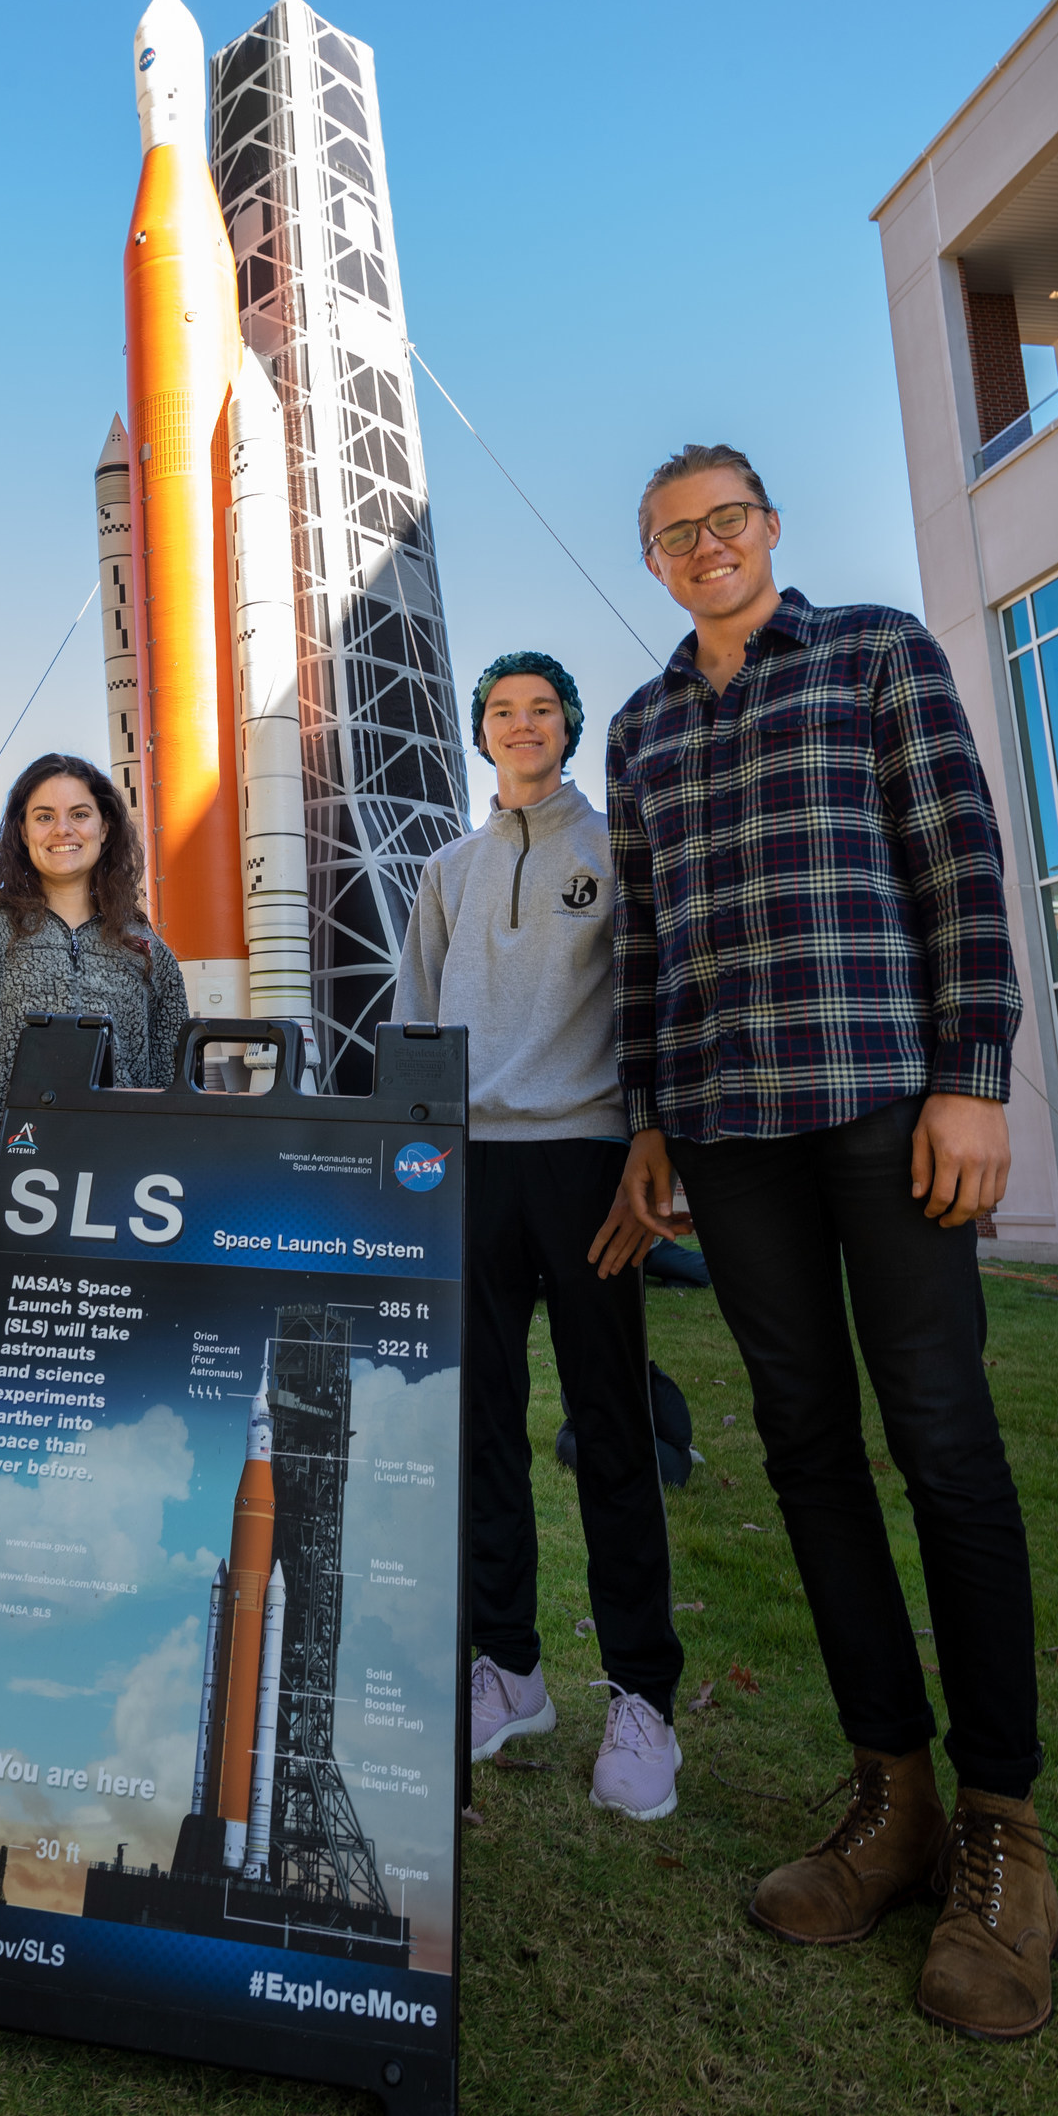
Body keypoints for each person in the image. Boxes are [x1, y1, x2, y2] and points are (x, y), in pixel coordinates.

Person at [605, 440, 1055, 2040]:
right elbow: (648, 944)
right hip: (731, 1132)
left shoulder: (873, 650)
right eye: (676, 535)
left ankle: (1004, 1829)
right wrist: (653, 1120)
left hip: (884, 1101)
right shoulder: (643, 725)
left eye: (727, 521)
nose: (706, 548)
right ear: (655, 562)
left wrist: (971, 1080)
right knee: (804, 1444)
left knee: (942, 1438)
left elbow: (960, 865)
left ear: (770, 530)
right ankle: (893, 1791)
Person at [397, 654, 685, 1822]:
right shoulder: (446, 868)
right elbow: (415, 1017)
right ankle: (507, 1669)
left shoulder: (617, 851)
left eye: (542, 708)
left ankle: (642, 1697)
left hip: (585, 1161)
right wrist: (415, 1159)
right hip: (470, 1167)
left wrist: (649, 1142)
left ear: (567, 726)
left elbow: (656, 1004)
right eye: (502, 711)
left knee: (610, 1424)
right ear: (479, 734)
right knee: (479, 1427)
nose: (523, 725)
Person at [0, 753, 188, 1293]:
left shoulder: (149, 953)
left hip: (124, 1204)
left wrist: (175, 1220)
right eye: (43, 815)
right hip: (11, 1202)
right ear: (21, 830)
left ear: (106, 826)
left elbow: (173, 1097)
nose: (62, 829)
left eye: (79, 814)